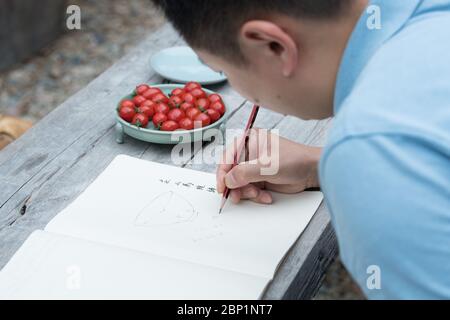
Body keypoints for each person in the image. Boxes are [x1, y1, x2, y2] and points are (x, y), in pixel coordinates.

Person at [151, 0, 450, 299]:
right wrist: (317, 165)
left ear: (273, 46)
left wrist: (356, 165)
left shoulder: (370, 147)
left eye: (221, 69)